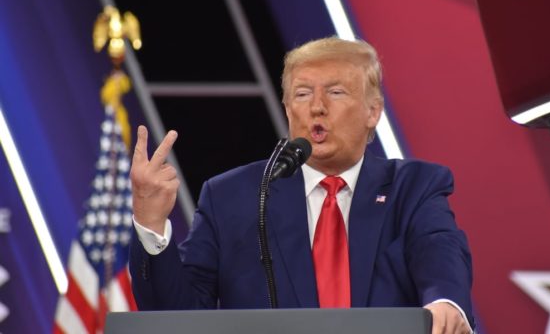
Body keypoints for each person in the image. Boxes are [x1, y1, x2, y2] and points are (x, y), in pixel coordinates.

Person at [129, 37, 474, 334]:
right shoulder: (234, 197)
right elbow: (178, 316)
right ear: (287, 108)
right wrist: (150, 224)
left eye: (336, 92)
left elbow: (439, 251)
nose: (317, 108)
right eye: (303, 93)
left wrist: (445, 301)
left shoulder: (413, 188)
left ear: (373, 111)